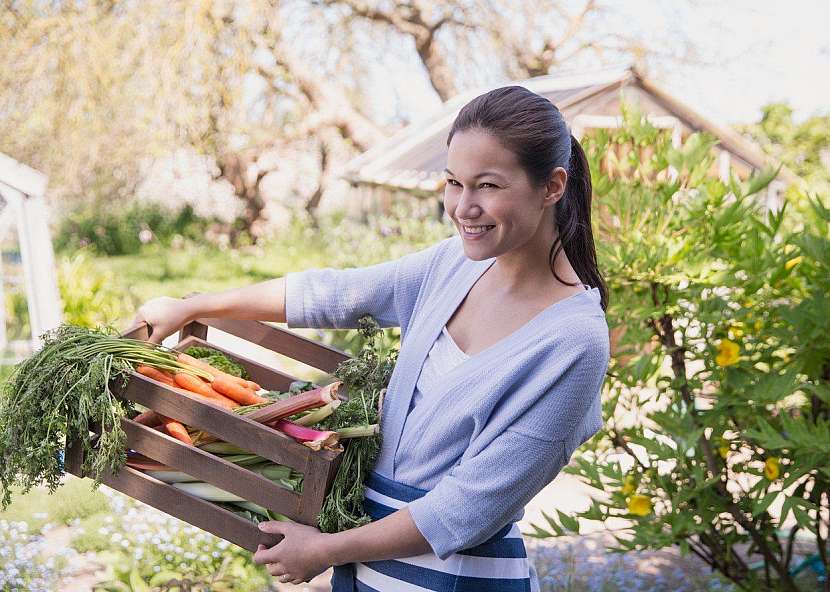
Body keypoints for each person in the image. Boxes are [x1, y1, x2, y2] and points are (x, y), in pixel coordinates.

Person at [134, 85, 611, 591]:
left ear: (553, 186)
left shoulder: (572, 342)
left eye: (488, 186)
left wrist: (325, 550)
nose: (463, 207)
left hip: (453, 578)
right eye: (454, 183)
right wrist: (194, 305)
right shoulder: (453, 265)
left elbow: (467, 508)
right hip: (368, 569)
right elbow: (338, 293)